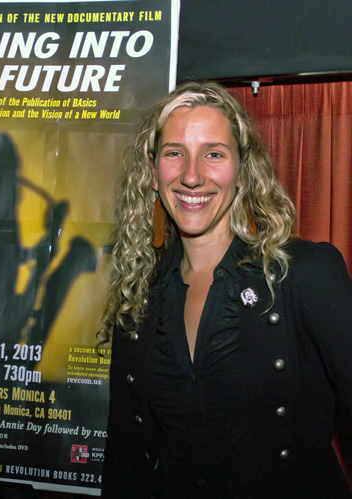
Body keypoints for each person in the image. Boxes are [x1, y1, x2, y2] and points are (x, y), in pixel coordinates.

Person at [99, 81, 352, 498]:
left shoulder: (305, 275)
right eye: (174, 153)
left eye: (213, 154)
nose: (192, 176)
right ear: (153, 171)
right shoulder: (138, 297)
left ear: (243, 169)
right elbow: (125, 461)